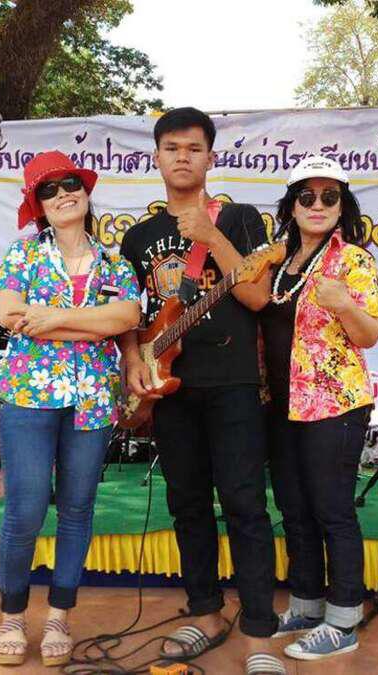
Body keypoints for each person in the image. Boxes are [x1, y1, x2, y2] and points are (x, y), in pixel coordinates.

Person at [120, 108, 285, 675]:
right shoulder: (139, 237)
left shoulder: (239, 218)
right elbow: (133, 317)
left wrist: (212, 237)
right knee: (186, 503)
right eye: (172, 148)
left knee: (244, 503)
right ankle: (206, 612)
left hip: (233, 383)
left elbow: (258, 297)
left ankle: (259, 632)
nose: (183, 157)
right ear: (157, 158)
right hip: (170, 390)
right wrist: (133, 361)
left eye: (194, 148)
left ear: (211, 158)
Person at [0, 150, 141, 667]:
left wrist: (51, 319)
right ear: (38, 205)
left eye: (70, 183)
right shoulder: (22, 254)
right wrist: (89, 324)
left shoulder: (115, 263)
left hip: (92, 399)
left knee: (77, 509)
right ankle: (12, 615)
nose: (62, 195)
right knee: (26, 509)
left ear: (86, 190)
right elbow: (10, 314)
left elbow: (125, 318)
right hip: (28, 395)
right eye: (48, 190)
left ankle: (59, 615)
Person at [260, 156, 378, 661]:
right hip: (281, 404)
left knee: (332, 510)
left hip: (335, 404)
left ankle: (343, 620)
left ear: (342, 206)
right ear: (291, 206)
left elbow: (370, 335)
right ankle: (307, 606)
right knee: (294, 509)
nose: (317, 205)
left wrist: (345, 304)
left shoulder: (353, 261)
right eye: (306, 196)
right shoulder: (277, 263)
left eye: (329, 196)